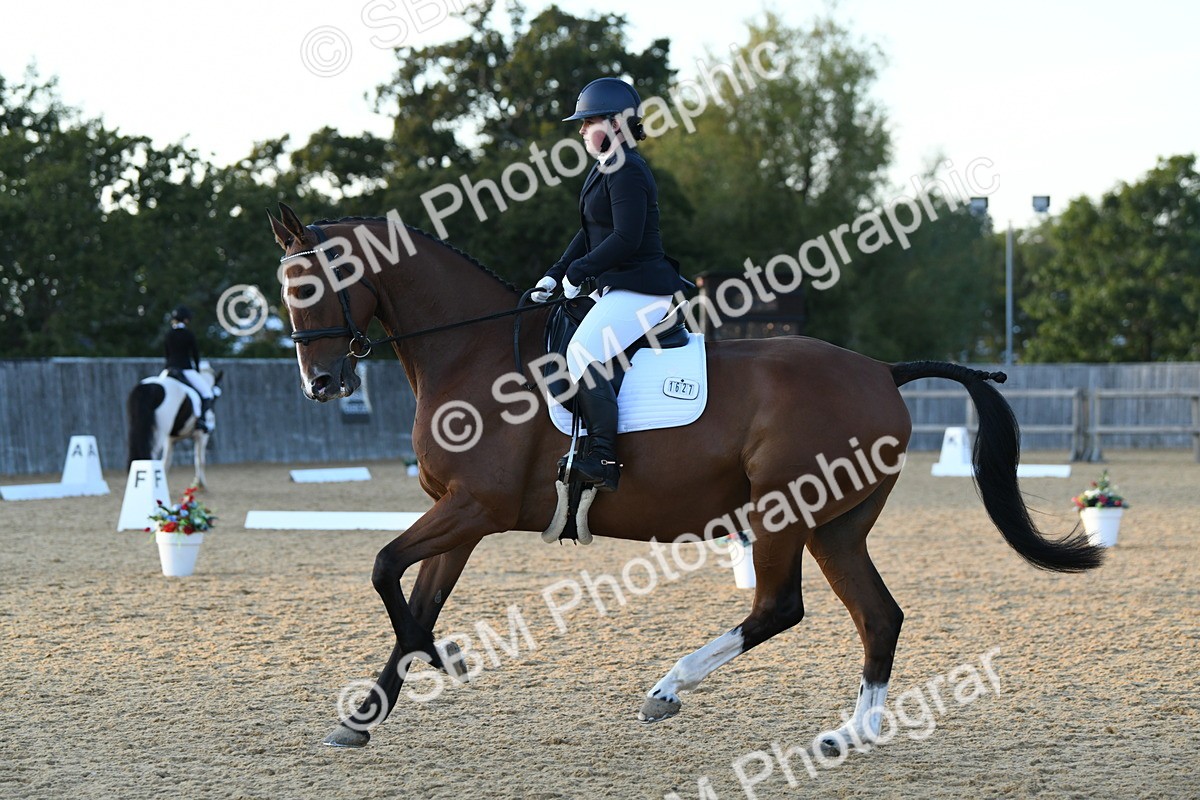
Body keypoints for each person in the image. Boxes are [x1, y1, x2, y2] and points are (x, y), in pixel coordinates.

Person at [530, 77, 693, 493]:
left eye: (589, 122)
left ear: (617, 124)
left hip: (644, 290)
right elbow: (589, 231)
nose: (582, 130)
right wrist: (556, 272)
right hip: (619, 288)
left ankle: (602, 457)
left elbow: (626, 239)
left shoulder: (628, 170)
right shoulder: (604, 167)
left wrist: (579, 273)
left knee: (583, 351)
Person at [164, 305, 214, 432]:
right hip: (185, 368)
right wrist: (196, 369)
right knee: (207, 393)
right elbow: (195, 355)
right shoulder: (188, 334)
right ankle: (201, 420)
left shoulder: (169, 334)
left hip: (169, 369)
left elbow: (167, 354)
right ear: (186, 320)